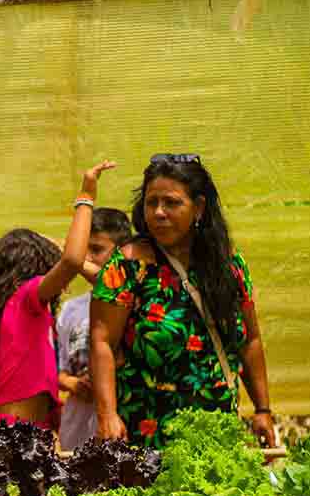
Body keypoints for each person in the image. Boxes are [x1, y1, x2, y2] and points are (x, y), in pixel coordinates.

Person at [90, 154, 276, 448]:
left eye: (171, 203)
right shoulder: (127, 266)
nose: (159, 213)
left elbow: (249, 340)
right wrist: (107, 415)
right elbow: (102, 343)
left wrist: (263, 409)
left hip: (216, 426)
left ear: (199, 207)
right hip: (146, 430)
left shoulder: (229, 266)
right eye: (152, 203)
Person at [0, 160, 117, 431]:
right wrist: (86, 196)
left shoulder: (20, 310)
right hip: (17, 434)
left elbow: (109, 284)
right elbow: (72, 260)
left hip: (24, 431)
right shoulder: (25, 299)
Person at [56, 208, 132, 451]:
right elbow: (55, 369)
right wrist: (73, 384)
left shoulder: (134, 303)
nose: (85, 258)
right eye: (82, 248)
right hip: (76, 431)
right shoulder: (69, 309)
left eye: (97, 249)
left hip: (123, 426)